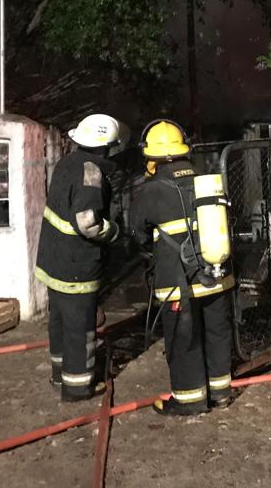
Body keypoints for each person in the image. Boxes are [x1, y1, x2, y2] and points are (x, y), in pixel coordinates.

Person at [128, 119, 235, 416]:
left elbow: (136, 234)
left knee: (184, 338)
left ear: (152, 159)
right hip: (218, 275)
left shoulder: (150, 191)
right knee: (216, 333)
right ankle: (221, 393)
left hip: (179, 281)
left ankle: (190, 402)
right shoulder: (204, 181)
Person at [35, 113, 125, 402]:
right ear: (106, 147)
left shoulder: (67, 162)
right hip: (76, 264)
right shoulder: (91, 173)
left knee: (59, 321)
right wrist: (113, 232)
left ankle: (59, 374)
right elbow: (87, 222)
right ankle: (77, 386)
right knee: (80, 327)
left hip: (52, 257)